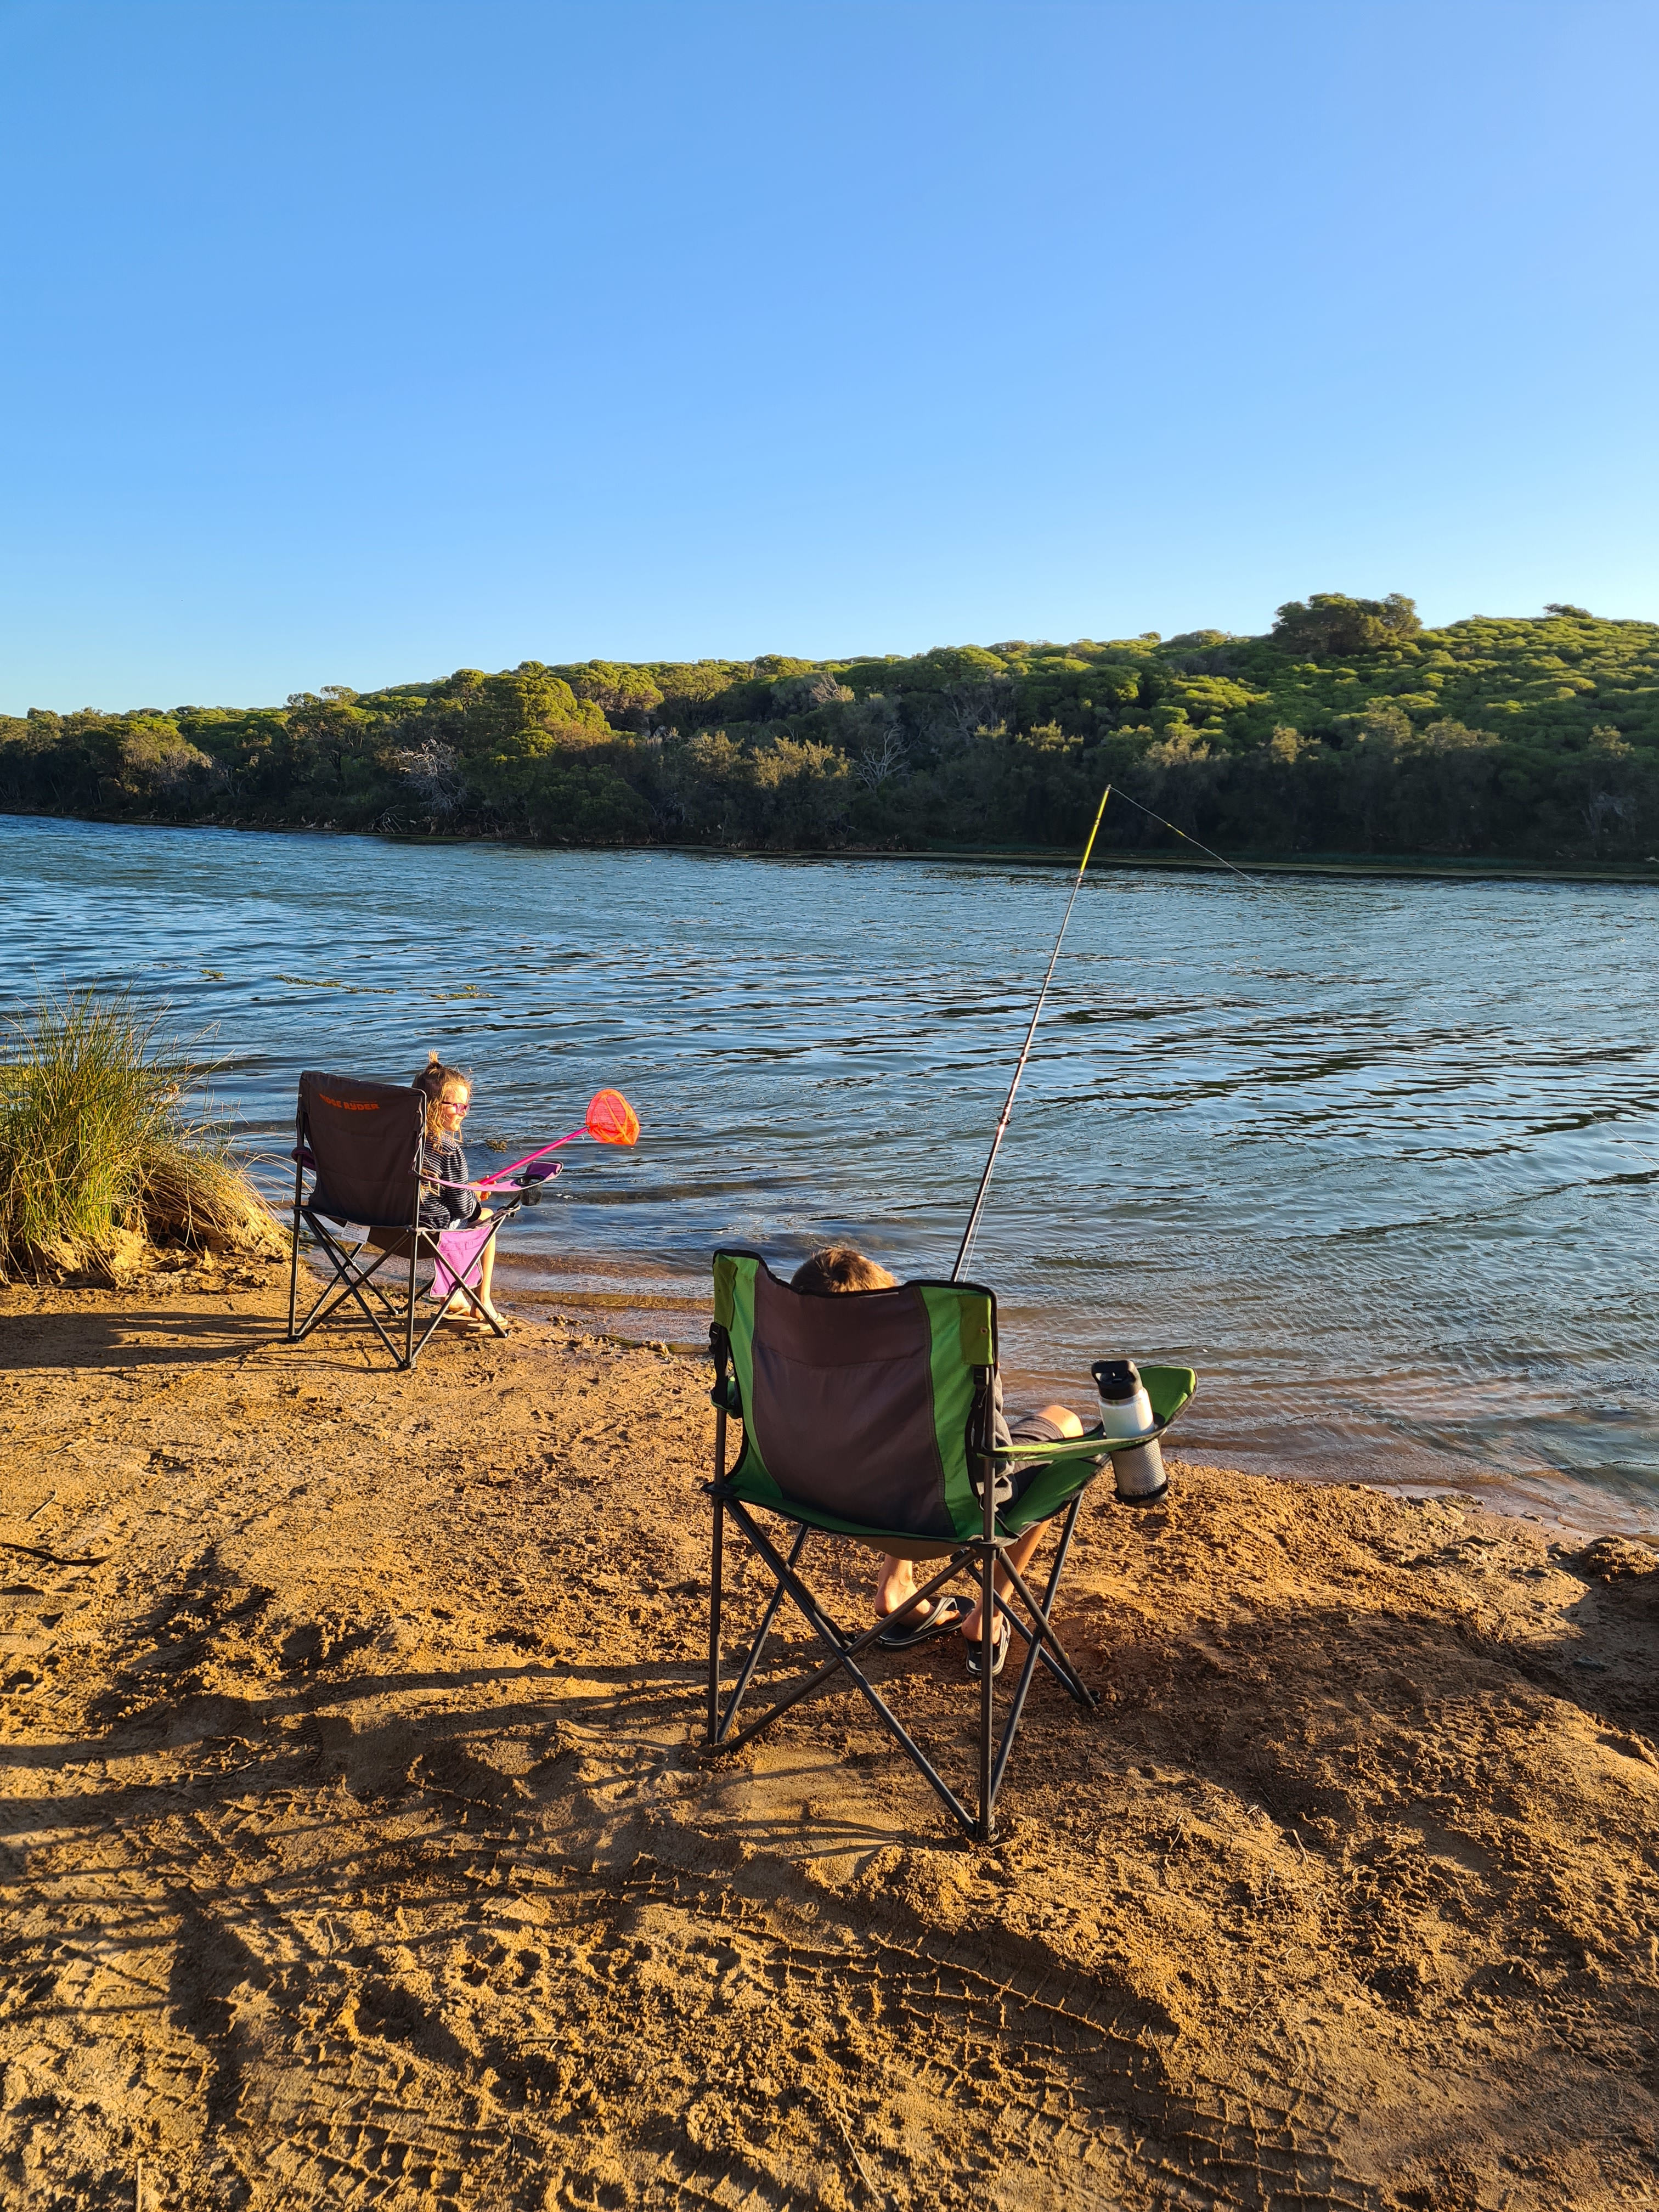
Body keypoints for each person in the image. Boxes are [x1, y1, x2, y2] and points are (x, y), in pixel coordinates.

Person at [788, 1245, 1086, 1680]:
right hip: (946, 1517)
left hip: (834, 1501)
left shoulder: (787, 1366)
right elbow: (995, 1462)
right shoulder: (929, 1363)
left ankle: (896, 1588)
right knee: (1065, 1423)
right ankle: (988, 1616)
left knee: (895, 1453)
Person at [413, 1053, 507, 1333]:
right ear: (431, 1106)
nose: (463, 1112)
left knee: (431, 1209)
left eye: (466, 1105)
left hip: (381, 1226)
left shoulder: (391, 1140)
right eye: (455, 1105)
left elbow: (425, 1186)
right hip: (423, 1235)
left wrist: (466, 1189)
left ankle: (451, 1296)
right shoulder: (448, 1149)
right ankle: (483, 1302)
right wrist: (473, 1195)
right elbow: (464, 1210)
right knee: (486, 1218)